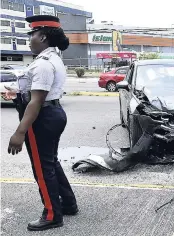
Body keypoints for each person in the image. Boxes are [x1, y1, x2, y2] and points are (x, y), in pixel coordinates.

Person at [3, 15, 78, 231]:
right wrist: (17, 93)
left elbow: (36, 101)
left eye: (32, 35)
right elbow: (37, 93)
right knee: (50, 162)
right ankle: (68, 204)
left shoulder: (43, 64)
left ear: (43, 36)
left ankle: (52, 214)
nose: (30, 40)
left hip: (41, 118)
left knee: (42, 168)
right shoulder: (52, 58)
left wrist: (19, 132)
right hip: (53, 113)